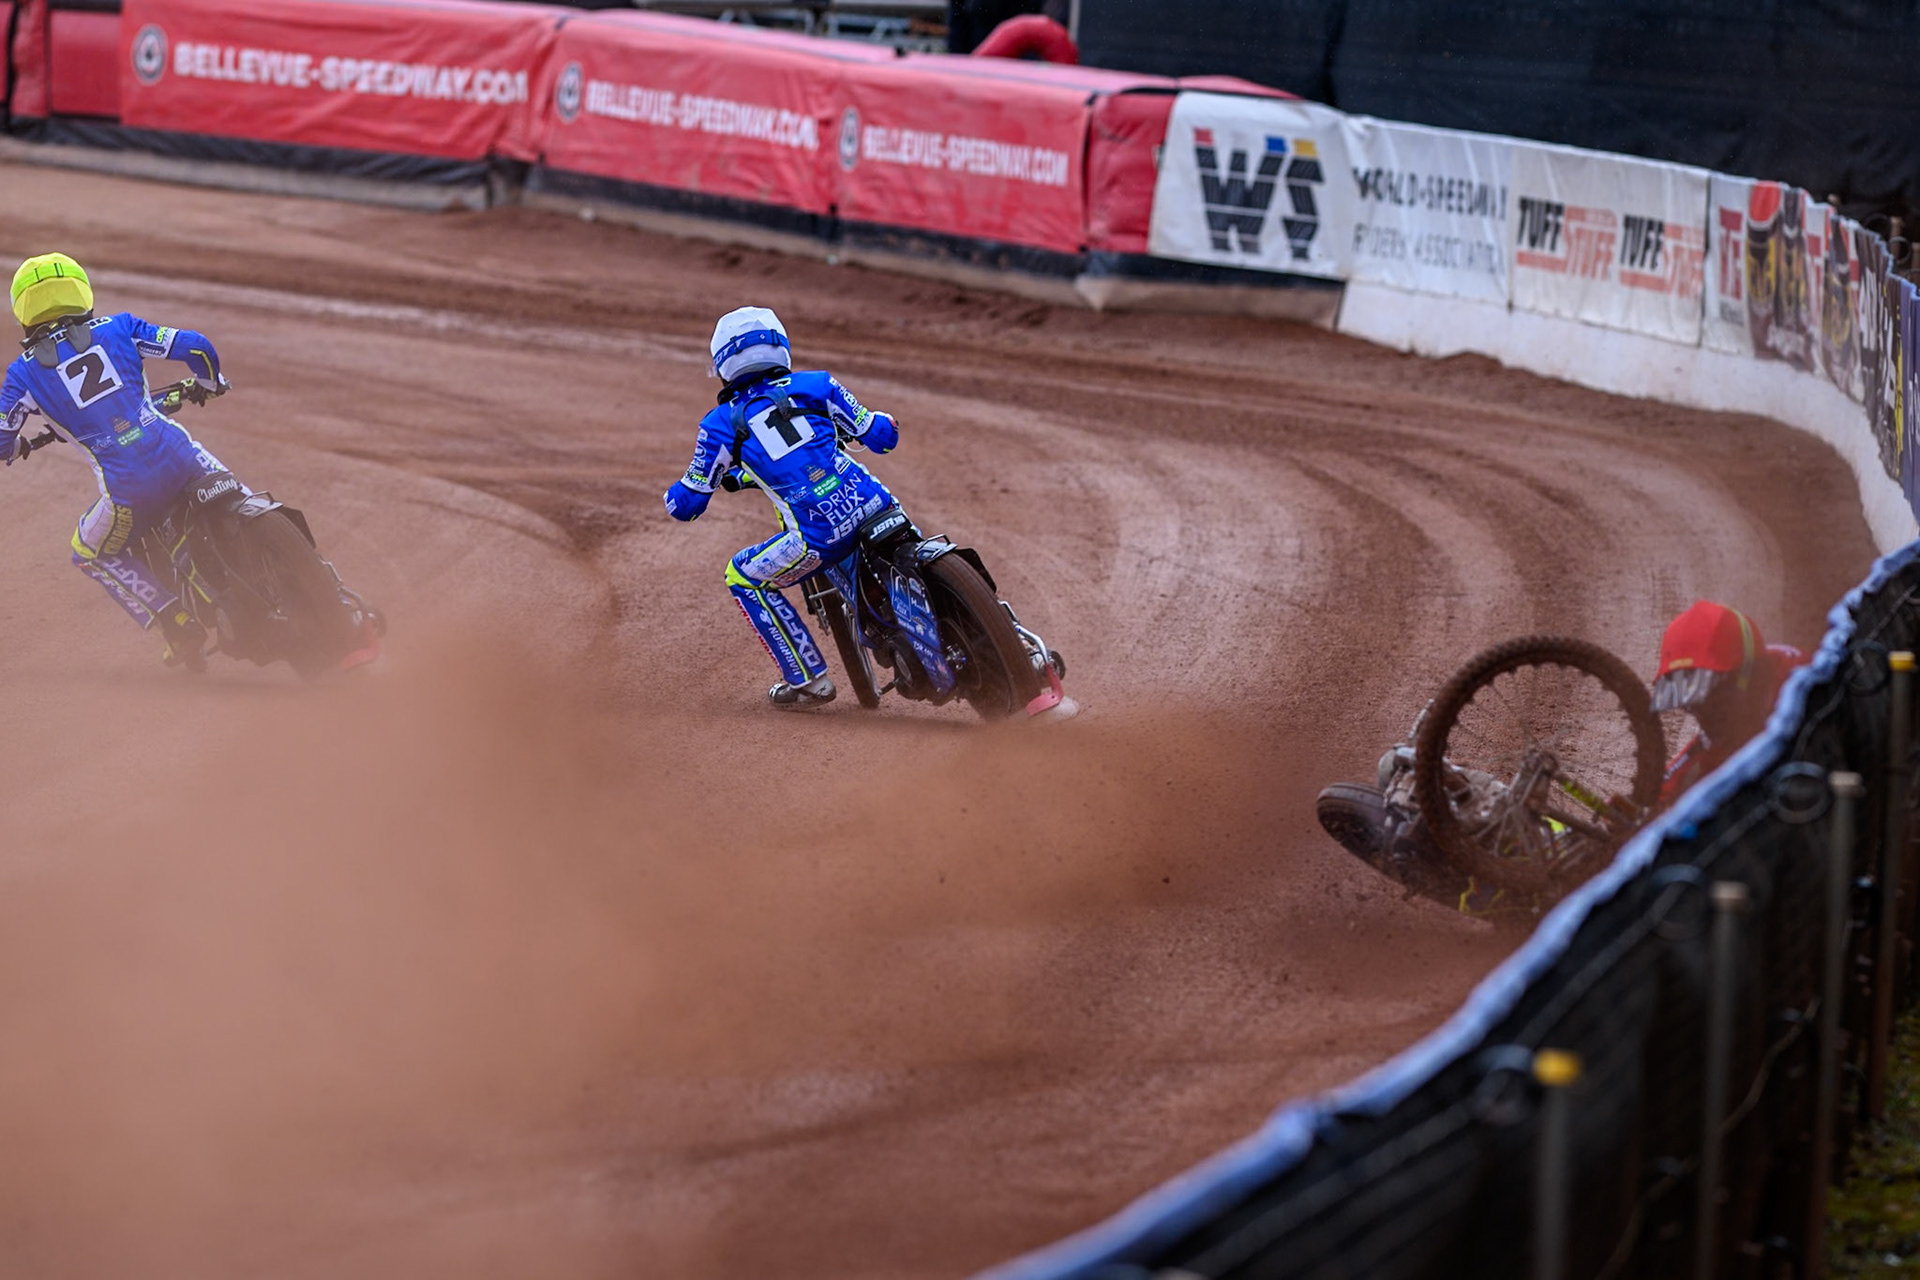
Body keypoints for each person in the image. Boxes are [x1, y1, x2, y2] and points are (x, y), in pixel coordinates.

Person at [1, 253, 231, 670]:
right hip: (183, 456)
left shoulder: (22, 374)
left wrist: (16, 448)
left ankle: (175, 620)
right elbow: (197, 345)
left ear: (23, 311)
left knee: (88, 550)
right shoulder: (120, 325)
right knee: (236, 492)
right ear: (81, 291)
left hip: (129, 491)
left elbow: (1, 440)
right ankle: (329, 587)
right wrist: (210, 382)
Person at [663, 306, 901, 707]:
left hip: (819, 538)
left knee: (742, 576)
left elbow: (687, 505)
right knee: (908, 535)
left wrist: (672, 497)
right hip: (876, 503)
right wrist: (887, 422)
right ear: (781, 346)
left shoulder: (720, 424)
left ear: (723, 365)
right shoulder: (818, 384)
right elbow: (882, 437)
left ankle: (808, 679)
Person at [1651, 600, 1806, 803]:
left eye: (1709, 692)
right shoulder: (1727, 726)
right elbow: (1683, 771)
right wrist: (1645, 801)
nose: (1700, 709)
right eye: (1691, 697)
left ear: (1746, 674)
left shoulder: (1808, 684)